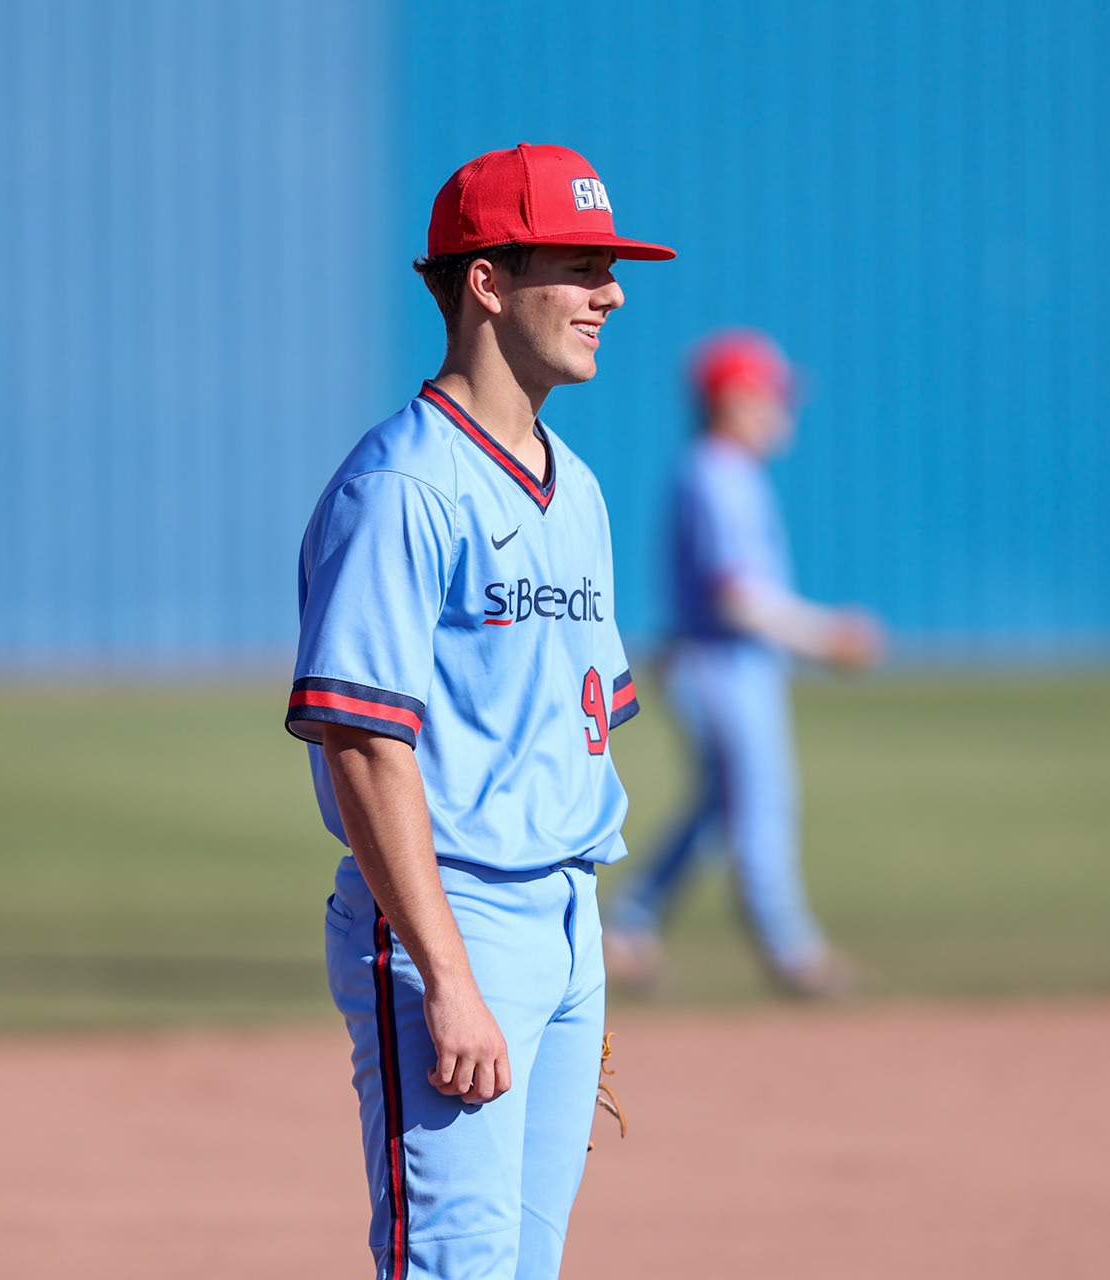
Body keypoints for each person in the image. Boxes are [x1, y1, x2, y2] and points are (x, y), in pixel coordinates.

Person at [284, 143, 674, 1280]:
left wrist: (568, 955)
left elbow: (580, 717)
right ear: (488, 280)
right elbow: (364, 747)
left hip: (562, 915)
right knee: (456, 1264)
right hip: (450, 916)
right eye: (580, 265)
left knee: (522, 1266)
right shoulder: (402, 487)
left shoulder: (579, 487)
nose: (610, 293)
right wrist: (452, 973)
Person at [605, 330, 884, 999]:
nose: (783, 412)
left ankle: (628, 927)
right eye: (772, 397)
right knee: (759, 806)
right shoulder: (718, 474)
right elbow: (736, 596)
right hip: (721, 665)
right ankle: (793, 954)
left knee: (718, 810)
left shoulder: (722, 471)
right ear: (732, 399)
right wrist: (824, 637)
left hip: (721, 663)